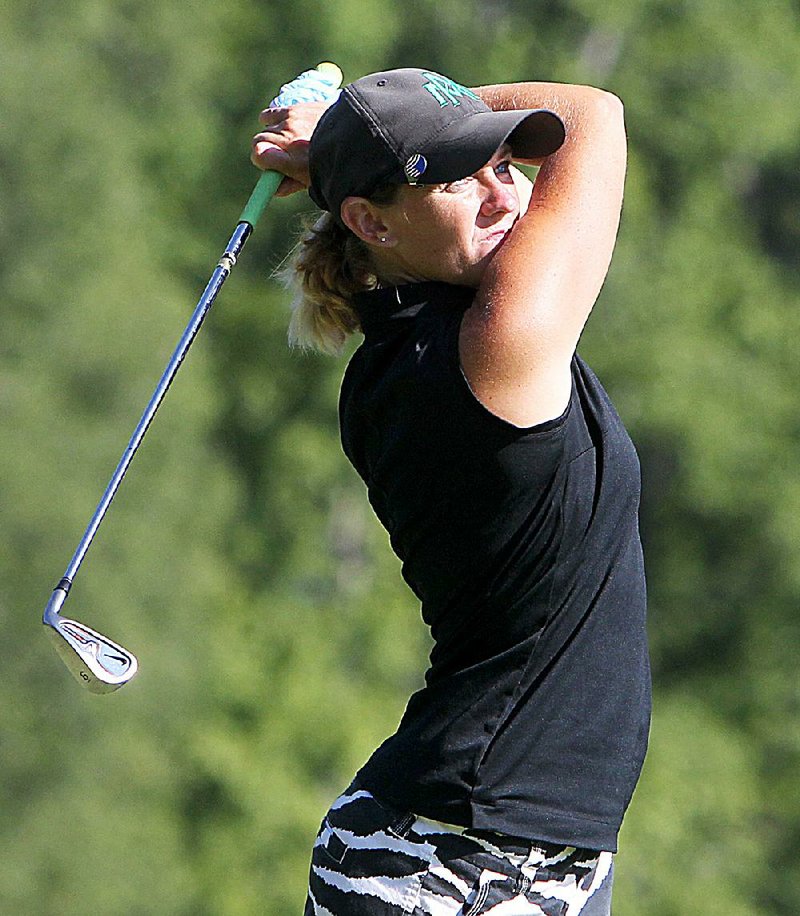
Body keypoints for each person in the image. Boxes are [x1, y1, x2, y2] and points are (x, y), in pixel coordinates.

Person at [251, 67, 650, 916]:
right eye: (458, 177)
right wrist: (341, 130)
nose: (502, 196)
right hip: (451, 857)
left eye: (505, 166)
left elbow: (565, 131)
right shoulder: (494, 345)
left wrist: (352, 144)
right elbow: (595, 117)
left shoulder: (399, 351)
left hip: (520, 846)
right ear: (370, 222)